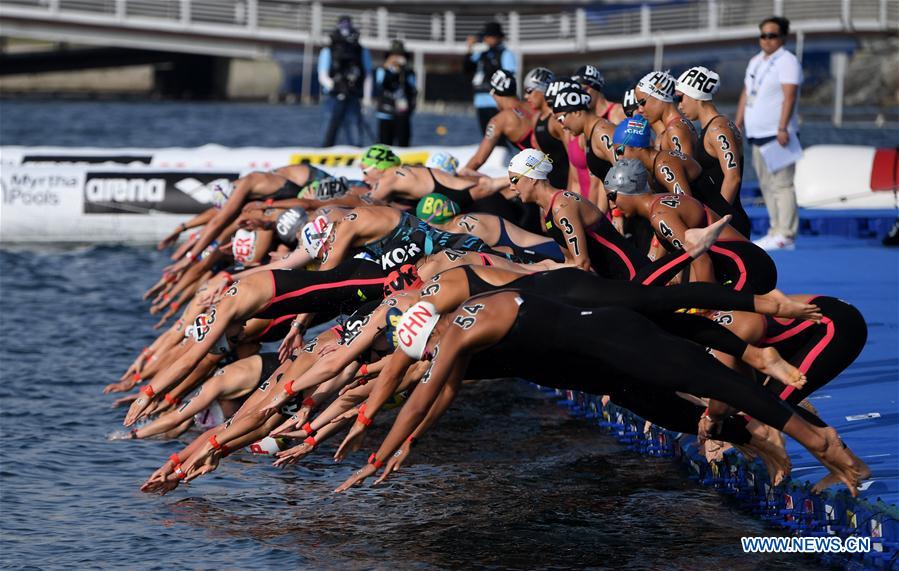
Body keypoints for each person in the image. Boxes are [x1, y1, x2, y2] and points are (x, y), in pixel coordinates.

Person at [736, 16, 803, 251]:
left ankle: (787, 232)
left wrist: (783, 127)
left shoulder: (787, 61)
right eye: (763, 35)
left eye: (772, 35)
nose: (766, 40)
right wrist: (738, 121)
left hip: (777, 134)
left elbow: (790, 95)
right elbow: (747, 92)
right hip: (757, 134)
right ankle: (775, 230)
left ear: (783, 37)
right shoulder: (756, 61)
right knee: (766, 184)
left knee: (782, 184)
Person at [675, 65, 752, 238]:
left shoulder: (718, 129)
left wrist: (716, 221)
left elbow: (733, 177)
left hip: (727, 223)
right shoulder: (711, 128)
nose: (679, 105)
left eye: (680, 98)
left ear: (696, 96)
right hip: (723, 219)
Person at [318, 16, 373, 147]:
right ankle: (324, 152)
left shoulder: (361, 51)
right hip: (334, 96)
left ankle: (356, 154)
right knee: (328, 129)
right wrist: (335, 85)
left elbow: (368, 75)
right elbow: (322, 75)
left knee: (354, 129)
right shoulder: (328, 50)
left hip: (353, 96)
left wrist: (367, 98)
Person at [463, 21, 517, 134]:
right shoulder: (482, 54)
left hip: (495, 102)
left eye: (489, 36)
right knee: (487, 134)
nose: (486, 39)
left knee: (498, 135)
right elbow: (467, 68)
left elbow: (509, 76)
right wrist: (469, 48)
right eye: (486, 36)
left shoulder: (505, 54)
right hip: (480, 101)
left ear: (498, 37)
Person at [635, 70, 698, 157]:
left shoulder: (676, 129)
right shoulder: (673, 127)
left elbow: (686, 168)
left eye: (642, 103)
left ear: (659, 98)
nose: (640, 110)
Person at [375, 40, 417, 147]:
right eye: (394, 55)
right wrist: (388, 68)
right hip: (385, 112)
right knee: (384, 143)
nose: (397, 58)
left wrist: (402, 71)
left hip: (402, 113)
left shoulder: (408, 72)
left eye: (400, 56)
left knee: (403, 143)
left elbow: (412, 89)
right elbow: (380, 85)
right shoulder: (382, 70)